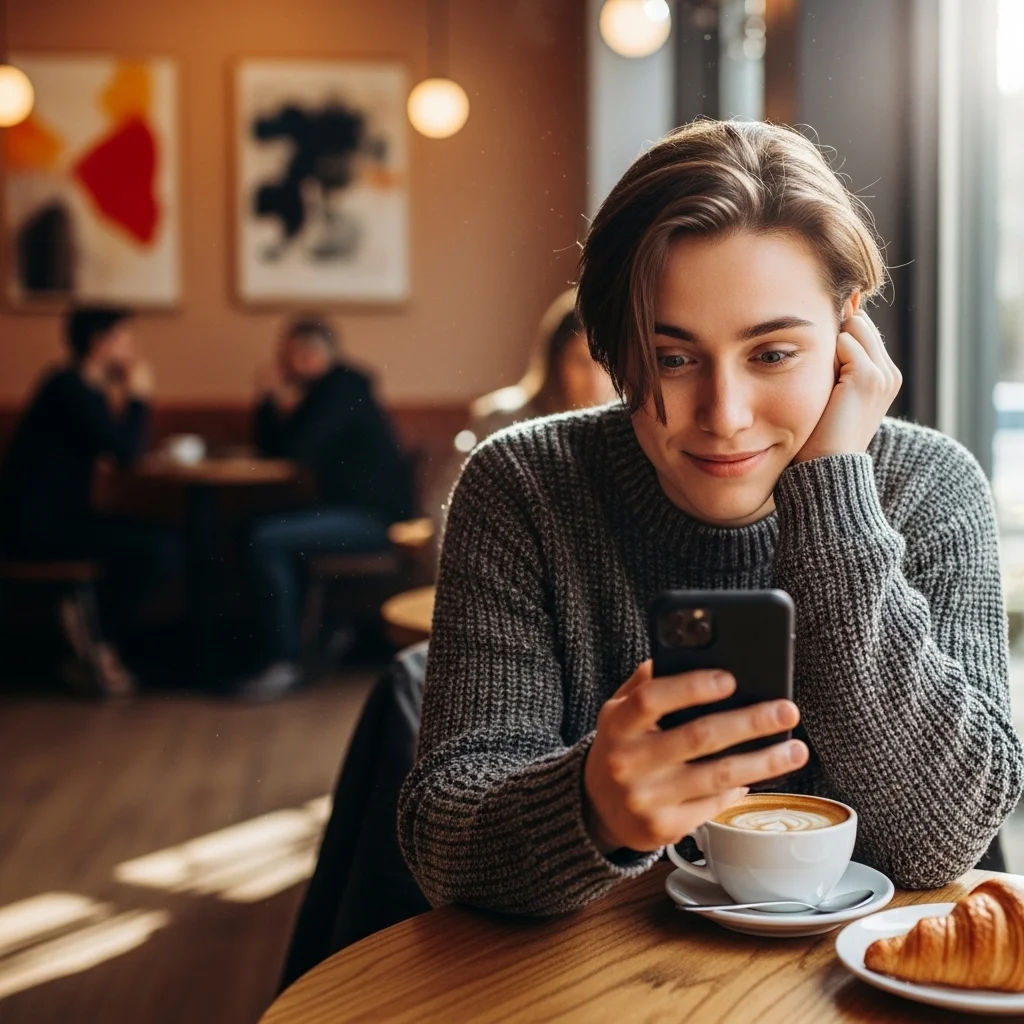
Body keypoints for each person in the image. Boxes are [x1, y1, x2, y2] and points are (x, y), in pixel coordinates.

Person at [398, 120, 1024, 916]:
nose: (724, 416)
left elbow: (941, 838)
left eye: (772, 354)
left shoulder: (930, 486)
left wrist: (833, 494)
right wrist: (592, 807)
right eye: (673, 357)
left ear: (847, 329)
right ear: (616, 350)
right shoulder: (525, 486)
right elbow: (442, 844)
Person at [0, 307, 180, 696]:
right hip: (36, 529)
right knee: (159, 547)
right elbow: (125, 453)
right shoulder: (68, 387)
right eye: (127, 341)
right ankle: (97, 648)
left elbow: (116, 450)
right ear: (101, 344)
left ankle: (94, 641)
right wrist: (138, 396)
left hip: (58, 520)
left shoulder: (80, 388)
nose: (134, 352)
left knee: (157, 541)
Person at [242, 316, 414, 701]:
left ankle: (284, 661)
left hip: (375, 521)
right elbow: (274, 450)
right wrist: (270, 404)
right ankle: (312, 641)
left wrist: (273, 399)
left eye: (289, 356)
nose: (283, 365)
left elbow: (295, 451)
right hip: (354, 513)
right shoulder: (327, 391)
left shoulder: (342, 389)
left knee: (265, 539)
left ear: (312, 353)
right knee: (263, 533)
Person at [429, 289, 616, 527]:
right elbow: (445, 506)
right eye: (581, 362)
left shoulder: (623, 429)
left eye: (605, 362)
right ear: (555, 363)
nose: (595, 379)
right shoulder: (501, 420)